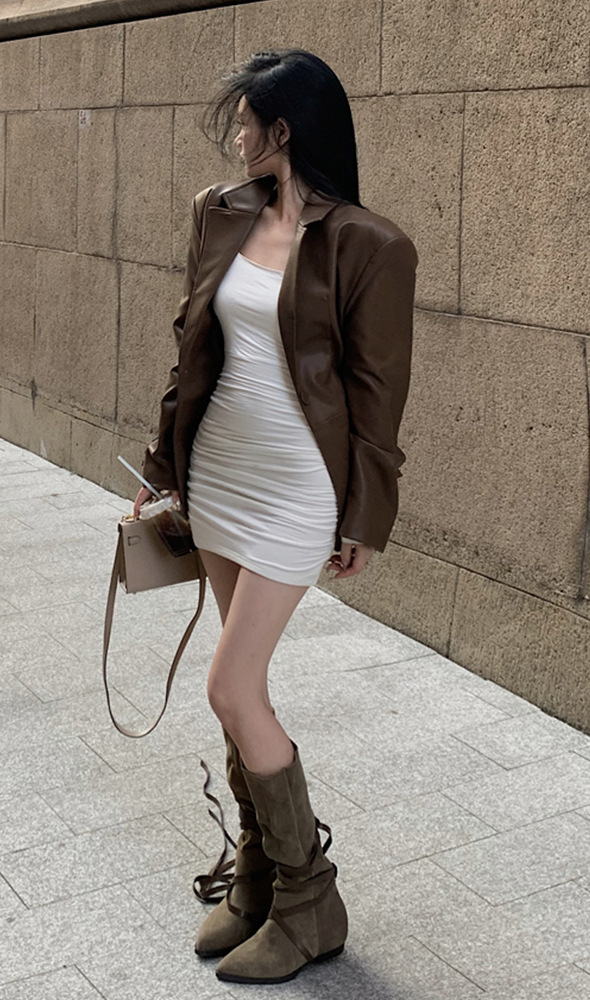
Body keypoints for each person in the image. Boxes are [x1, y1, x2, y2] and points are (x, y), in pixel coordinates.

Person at [133, 49, 418, 985]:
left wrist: (365, 515)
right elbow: (191, 344)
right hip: (219, 471)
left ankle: (309, 899)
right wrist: (162, 467)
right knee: (237, 680)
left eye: (247, 124)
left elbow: (378, 395)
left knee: (231, 686)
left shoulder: (371, 246)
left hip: (298, 485)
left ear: (282, 131)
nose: (237, 139)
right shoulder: (220, 212)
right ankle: (258, 876)